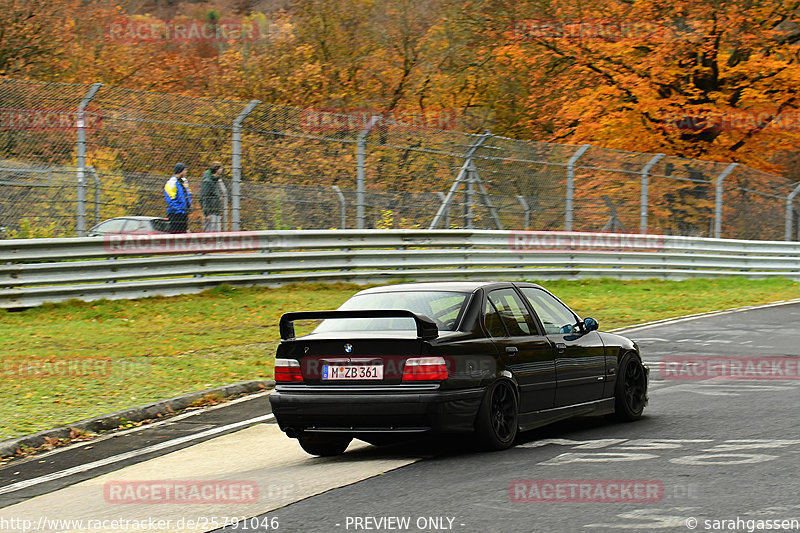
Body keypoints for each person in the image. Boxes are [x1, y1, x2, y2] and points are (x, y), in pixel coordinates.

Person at [164, 163, 192, 233]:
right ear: (181, 171)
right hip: (175, 213)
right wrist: (178, 210)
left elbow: (187, 194)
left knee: (183, 232)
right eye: (185, 170)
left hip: (184, 212)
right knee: (176, 233)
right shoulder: (172, 183)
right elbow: (170, 199)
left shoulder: (184, 181)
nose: (186, 172)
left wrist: (189, 205)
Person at [200, 161, 224, 232]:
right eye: (220, 168)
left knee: (217, 235)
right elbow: (203, 198)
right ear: (217, 170)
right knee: (210, 234)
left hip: (216, 212)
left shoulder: (215, 180)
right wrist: (206, 213)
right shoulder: (207, 181)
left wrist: (219, 212)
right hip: (210, 213)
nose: (222, 170)